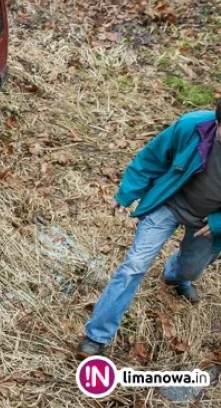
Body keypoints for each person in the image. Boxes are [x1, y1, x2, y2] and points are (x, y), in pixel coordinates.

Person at [77, 102, 221, 357]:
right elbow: (152, 157)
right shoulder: (193, 125)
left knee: (192, 270)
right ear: (217, 121)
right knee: (134, 265)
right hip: (169, 202)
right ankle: (96, 336)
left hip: (208, 221)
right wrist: (127, 193)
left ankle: (176, 274)